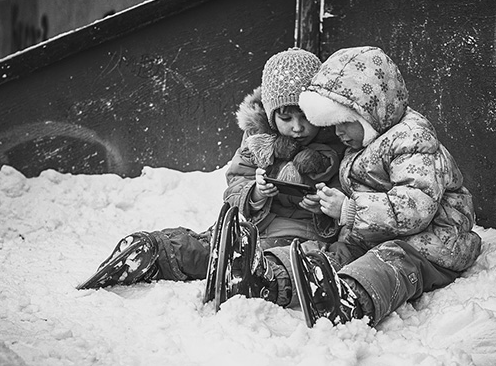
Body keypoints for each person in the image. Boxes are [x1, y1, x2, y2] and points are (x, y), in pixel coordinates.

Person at [228, 45, 482, 328]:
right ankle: (273, 277)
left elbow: (416, 208)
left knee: (388, 263)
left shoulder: (413, 140)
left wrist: (348, 209)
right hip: (372, 233)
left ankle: (351, 298)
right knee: (331, 254)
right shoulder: (360, 141)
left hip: (432, 242)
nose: (337, 133)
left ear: (367, 114)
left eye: (343, 123)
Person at [76, 47, 345, 298]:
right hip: (248, 225)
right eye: (286, 119)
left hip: (296, 233)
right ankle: (156, 252)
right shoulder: (258, 140)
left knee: (255, 257)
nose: (297, 128)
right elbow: (237, 180)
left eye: (305, 117)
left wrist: (323, 207)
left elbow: (346, 197)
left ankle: (244, 273)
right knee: (209, 246)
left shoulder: (337, 143)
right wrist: (255, 193)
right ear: (271, 115)